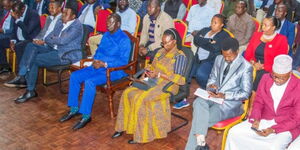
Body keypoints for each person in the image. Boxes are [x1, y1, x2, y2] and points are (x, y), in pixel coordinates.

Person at [112, 28, 187, 144]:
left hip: (167, 85)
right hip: (153, 80)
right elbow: (153, 66)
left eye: (167, 43)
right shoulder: (160, 52)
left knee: (141, 99)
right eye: (163, 42)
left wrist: (159, 74)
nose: (164, 45)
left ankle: (142, 135)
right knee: (127, 92)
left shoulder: (179, 57)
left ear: (174, 42)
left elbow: (180, 79)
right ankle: (123, 127)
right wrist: (148, 71)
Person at [59, 14, 131, 130]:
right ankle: (73, 109)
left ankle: (86, 116)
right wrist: (95, 59)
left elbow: (123, 61)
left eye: (111, 22)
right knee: (75, 76)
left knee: (90, 82)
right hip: (98, 66)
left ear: (118, 24)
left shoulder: (124, 39)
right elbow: (99, 50)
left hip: (113, 71)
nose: (108, 25)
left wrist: (105, 63)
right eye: (107, 22)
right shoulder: (106, 35)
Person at [4, 5, 83, 103]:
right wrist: (53, 39)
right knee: (30, 46)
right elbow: (47, 37)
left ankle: (30, 90)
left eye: (66, 14)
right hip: (52, 48)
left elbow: (62, 41)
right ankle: (22, 75)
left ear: (73, 16)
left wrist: (54, 39)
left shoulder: (77, 26)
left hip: (65, 54)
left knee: (34, 59)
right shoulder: (60, 22)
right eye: (63, 13)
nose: (63, 15)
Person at [185, 37, 253, 150]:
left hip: (227, 105)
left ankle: (199, 143)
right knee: (198, 102)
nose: (226, 58)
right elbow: (212, 77)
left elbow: (245, 93)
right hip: (213, 97)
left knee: (199, 121)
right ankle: (201, 143)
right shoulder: (219, 59)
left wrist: (225, 95)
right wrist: (211, 86)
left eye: (229, 56)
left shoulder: (246, 67)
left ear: (237, 51)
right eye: (224, 55)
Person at [225, 55, 300, 150]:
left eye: (281, 78)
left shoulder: (298, 86)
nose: (277, 80)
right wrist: (256, 118)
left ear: (290, 73)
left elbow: (296, 119)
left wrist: (273, 129)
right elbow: (259, 101)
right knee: (234, 132)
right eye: (274, 76)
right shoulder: (266, 78)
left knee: (273, 147)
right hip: (264, 120)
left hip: (285, 127)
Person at [4, 0, 62, 88]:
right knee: (26, 46)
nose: (50, 10)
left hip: (49, 45)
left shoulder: (61, 20)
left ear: (59, 8)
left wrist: (43, 41)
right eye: (49, 8)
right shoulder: (49, 18)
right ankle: (23, 77)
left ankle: (23, 77)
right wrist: (37, 39)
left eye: (52, 8)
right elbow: (43, 32)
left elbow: (56, 37)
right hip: (40, 41)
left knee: (26, 46)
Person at [244, 16, 288, 91]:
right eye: (262, 25)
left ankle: (253, 99)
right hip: (253, 63)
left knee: (260, 76)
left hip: (269, 68)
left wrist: (263, 67)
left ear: (273, 27)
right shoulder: (256, 35)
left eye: (266, 25)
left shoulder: (281, 39)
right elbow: (248, 53)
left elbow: (280, 60)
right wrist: (254, 63)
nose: (262, 27)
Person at [9, 1, 41, 72]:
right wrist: (12, 41)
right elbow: (14, 30)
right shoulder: (17, 12)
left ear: (23, 9)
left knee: (19, 46)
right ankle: (4, 67)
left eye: (17, 13)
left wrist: (17, 20)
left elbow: (28, 30)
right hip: (18, 39)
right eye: (15, 13)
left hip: (30, 39)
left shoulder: (33, 14)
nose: (16, 14)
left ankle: (22, 73)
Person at [0, 0, 15, 75]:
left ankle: (5, 66)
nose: (5, 8)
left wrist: (3, 30)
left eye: (6, 6)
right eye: (4, 6)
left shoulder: (15, 13)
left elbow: (14, 30)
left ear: (11, 3)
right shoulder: (3, 11)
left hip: (10, 36)